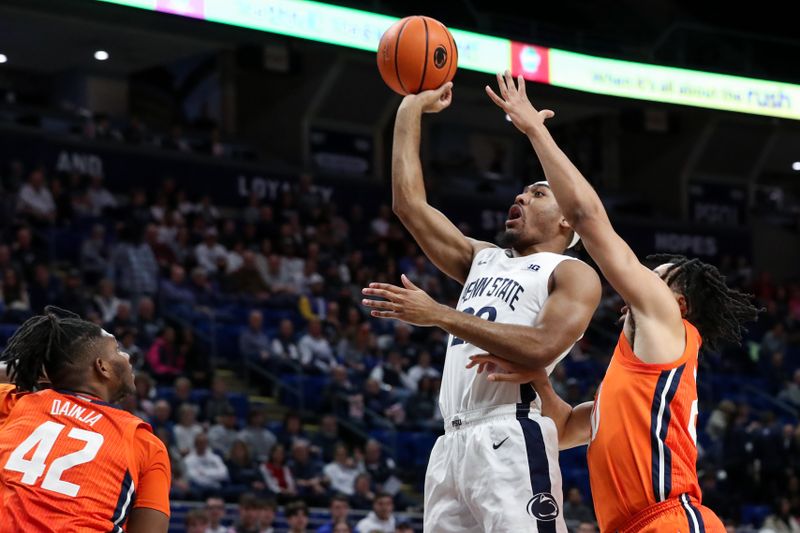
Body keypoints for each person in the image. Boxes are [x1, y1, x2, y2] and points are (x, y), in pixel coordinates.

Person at [469, 71, 760, 533]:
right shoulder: (631, 379)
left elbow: (587, 219)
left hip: (670, 520)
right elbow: (565, 428)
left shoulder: (669, 325)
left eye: (655, 278)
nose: (638, 285)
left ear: (678, 303)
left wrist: (535, 131)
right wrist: (538, 377)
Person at [361, 81, 601, 532]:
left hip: (509, 431)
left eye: (536, 193)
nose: (520, 197)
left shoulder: (570, 272)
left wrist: (439, 314)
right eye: (521, 193)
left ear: (567, 218)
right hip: (451, 442)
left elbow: (543, 346)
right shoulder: (482, 257)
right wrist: (410, 108)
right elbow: (408, 205)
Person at [0, 306, 170, 532]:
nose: (127, 356)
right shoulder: (144, 443)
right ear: (102, 367)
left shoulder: (15, 404)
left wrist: (35, 367)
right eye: (117, 350)